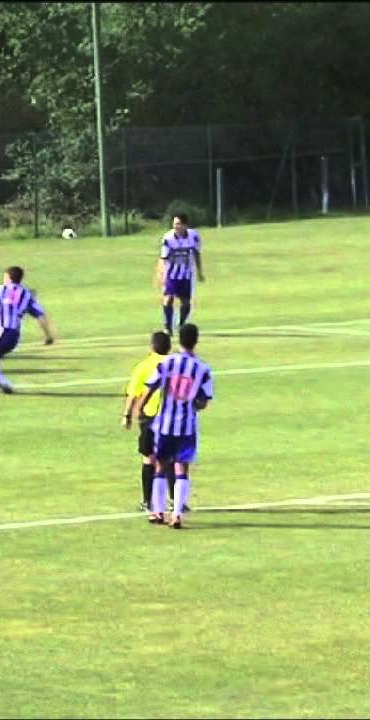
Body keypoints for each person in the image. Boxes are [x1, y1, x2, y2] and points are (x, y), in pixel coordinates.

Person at [130, 323, 214, 529]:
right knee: (182, 469)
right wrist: (193, 404)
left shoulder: (167, 363)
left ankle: (157, 512)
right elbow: (204, 401)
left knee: (160, 465)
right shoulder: (202, 369)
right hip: (187, 426)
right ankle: (176, 515)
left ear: (179, 340)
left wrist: (139, 411)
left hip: (164, 424)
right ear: (196, 341)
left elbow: (150, 387)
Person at [121, 331, 182, 513]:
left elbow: (133, 393)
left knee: (149, 458)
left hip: (149, 416)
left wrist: (127, 415)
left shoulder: (143, 366)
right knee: (171, 457)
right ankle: (174, 500)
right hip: (172, 417)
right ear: (169, 347)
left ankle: (148, 501)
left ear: (152, 346)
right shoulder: (176, 365)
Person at [0, 266, 56, 394]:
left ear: (7, 277)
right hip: (13, 336)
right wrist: (48, 336)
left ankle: (3, 383)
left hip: (0, 331)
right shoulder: (27, 295)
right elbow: (40, 316)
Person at [156, 213, 204, 335]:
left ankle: (181, 324)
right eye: (174, 223)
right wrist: (161, 274)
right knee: (168, 299)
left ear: (185, 225)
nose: (175, 226)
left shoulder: (193, 236)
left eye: (178, 224)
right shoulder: (168, 238)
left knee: (186, 302)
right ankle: (168, 326)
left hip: (185, 275)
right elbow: (163, 258)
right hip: (171, 275)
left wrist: (199, 272)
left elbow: (197, 253)